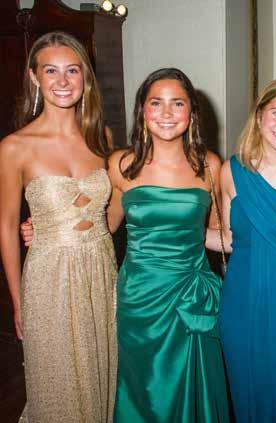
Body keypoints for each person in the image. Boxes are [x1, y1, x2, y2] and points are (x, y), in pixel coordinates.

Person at [0, 32, 117, 422]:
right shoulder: (15, 147)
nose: (63, 81)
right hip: (48, 278)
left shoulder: (101, 138)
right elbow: (6, 227)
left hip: (101, 274)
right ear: (34, 77)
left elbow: (111, 213)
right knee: (56, 383)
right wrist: (18, 301)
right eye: (51, 71)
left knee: (101, 378)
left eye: (73, 70)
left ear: (85, 77)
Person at [106, 68, 230, 422]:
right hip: (139, 300)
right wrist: (52, 229)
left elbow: (217, 234)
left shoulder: (209, 165)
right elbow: (105, 226)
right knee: (142, 392)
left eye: (177, 103)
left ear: (192, 112)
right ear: (142, 110)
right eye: (156, 103)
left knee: (192, 391)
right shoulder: (121, 164)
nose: (166, 113)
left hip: (191, 298)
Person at [206, 78, 276, 422]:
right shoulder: (231, 171)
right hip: (241, 306)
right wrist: (180, 232)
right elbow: (229, 239)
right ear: (259, 116)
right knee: (248, 398)